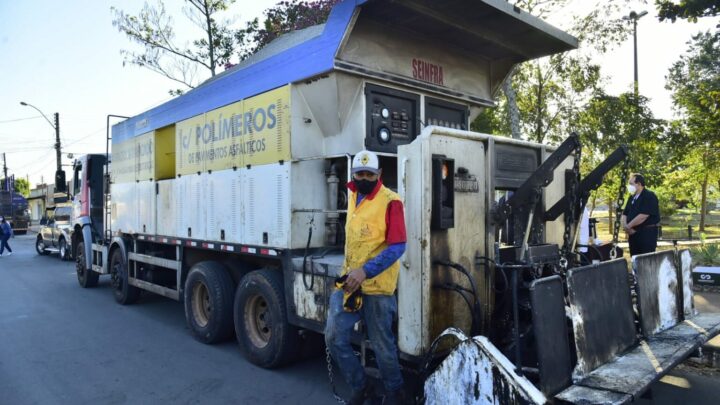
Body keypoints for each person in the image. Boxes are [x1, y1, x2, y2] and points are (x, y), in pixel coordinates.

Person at [325, 150, 407, 405]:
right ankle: (362, 387)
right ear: (353, 175)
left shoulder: (391, 201)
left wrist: (365, 271)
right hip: (349, 284)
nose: (363, 178)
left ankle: (395, 394)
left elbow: (398, 247)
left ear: (379, 174)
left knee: (384, 348)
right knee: (334, 337)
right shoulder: (352, 195)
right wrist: (353, 272)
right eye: (359, 173)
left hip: (378, 288)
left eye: (368, 174)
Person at [621, 173, 660, 256]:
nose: (629, 186)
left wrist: (629, 226)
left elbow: (643, 216)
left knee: (646, 259)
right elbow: (625, 213)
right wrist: (625, 227)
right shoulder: (632, 197)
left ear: (638, 184)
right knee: (635, 258)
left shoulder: (649, 196)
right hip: (632, 234)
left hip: (646, 234)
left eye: (631, 184)